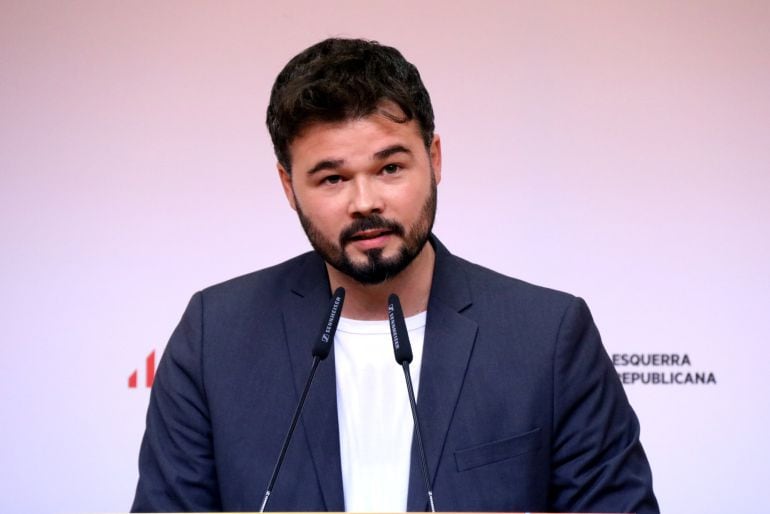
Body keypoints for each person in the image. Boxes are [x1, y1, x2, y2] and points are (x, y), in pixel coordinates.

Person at [131, 38, 659, 513]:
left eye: (390, 168)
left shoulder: (547, 334)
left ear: (434, 158)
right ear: (289, 187)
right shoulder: (215, 335)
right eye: (332, 177)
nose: (366, 203)